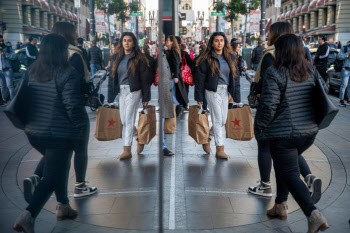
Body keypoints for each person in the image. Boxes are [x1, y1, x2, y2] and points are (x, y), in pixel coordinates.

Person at [254, 33, 329, 232]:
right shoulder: (310, 70)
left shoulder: (274, 72)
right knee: (284, 167)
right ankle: (280, 205)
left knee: (290, 173)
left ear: (281, 51)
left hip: (284, 134)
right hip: (309, 132)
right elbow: (325, 90)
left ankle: (313, 214)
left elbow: (269, 106)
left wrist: (260, 128)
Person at [13, 33, 86, 233]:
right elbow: (72, 106)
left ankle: (63, 206)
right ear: (61, 51)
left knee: (57, 165)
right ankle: (28, 215)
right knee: (54, 174)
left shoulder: (32, 70)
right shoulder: (66, 72)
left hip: (35, 132)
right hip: (59, 133)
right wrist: (80, 129)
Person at [22, 21, 98, 201]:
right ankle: (79, 185)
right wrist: (78, 121)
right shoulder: (74, 55)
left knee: (56, 152)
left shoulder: (45, 57)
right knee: (78, 149)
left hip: (46, 114)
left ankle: (39, 181)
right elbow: (76, 85)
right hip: (70, 109)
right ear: (69, 34)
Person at [248, 22, 321, 203]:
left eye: (270, 32)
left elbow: (268, 93)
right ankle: (304, 182)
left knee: (269, 150)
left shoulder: (270, 56)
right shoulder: (301, 55)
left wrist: (260, 126)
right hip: (303, 119)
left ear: (276, 35)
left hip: (277, 115)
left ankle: (266, 186)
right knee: (290, 153)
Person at [195, 32, 240, 159]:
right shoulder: (206, 58)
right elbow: (200, 79)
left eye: (221, 40)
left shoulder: (230, 57)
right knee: (218, 119)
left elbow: (235, 77)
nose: (219, 43)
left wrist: (234, 95)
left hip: (225, 91)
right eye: (216, 40)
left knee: (223, 120)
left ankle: (208, 137)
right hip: (212, 91)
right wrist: (199, 97)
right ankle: (220, 148)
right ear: (212, 43)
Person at [109, 32, 152, 159]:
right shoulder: (117, 57)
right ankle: (139, 135)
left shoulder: (139, 58)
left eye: (129, 40)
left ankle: (127, 149)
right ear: (121, 43)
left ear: (134, 43)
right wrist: (112, 93)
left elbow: (145, 80)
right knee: (123, 120)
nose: (126, 43)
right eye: (124, 40)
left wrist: (146, 97)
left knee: (128, 119)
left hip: (134, 90)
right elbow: (113, 77)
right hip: (121, 91)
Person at [165, 35, 189, 116]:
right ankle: (175, 109)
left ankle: (177, 106)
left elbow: (175, 64)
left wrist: (175, 76)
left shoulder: (173, 51)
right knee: (173, 93)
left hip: (172, 76)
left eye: (168, 40)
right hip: (172, 76)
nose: (166, 42)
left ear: (172, 42)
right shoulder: (172, 50)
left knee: (169, 93)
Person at [0, 35, 15, 104]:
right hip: (0, 70)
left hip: (7, 69)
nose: (1, 42)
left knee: (9, 86)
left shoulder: (8, 48)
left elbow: (14, 57)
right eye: (0, 41)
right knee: (2, 86)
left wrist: (6, 54)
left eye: (2, 41)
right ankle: (4, 100)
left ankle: (12, 101)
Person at [337, 41, 350, 107]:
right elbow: (339, 56)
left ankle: (349, 100)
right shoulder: (344, 48)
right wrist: (347, 54)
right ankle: (341, 100)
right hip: (345, 69)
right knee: (344, 85)